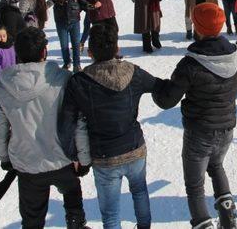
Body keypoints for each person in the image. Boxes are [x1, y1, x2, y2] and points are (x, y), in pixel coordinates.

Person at [152, 3, 237, 229]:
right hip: (226, 129)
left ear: (198, 26)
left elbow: (166, 101)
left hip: (198, 132)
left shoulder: (190, 64)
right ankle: (228, 219)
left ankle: (203, 224)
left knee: (195, 186)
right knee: (216, 166)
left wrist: (154, 85)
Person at [59, 23, 172, 229]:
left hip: (104, 157)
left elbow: (66, 123)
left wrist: (74, 156)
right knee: (140, 191)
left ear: (90, 51)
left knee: (111, 213)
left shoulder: (79, 82)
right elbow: (160, 86)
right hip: (135, 148)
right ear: (117, 48)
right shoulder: (133, 72)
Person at [0, 27, 91, 228]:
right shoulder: (63, 79)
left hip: (27, 163)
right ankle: (76, 223)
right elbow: (78, 122)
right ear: (44, 51)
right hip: (63, 159)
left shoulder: (2, 85)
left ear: (17, 53)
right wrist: (83, 158)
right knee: (72, 195)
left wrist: (5, 158)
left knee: (32, 218)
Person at [48, 0, 90, 72]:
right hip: (60, 19)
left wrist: (89, 7)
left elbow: (82, 0)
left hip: (74, 18)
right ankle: (67, 62)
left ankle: (77, 64)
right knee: (64, 45)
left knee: (76, 44)